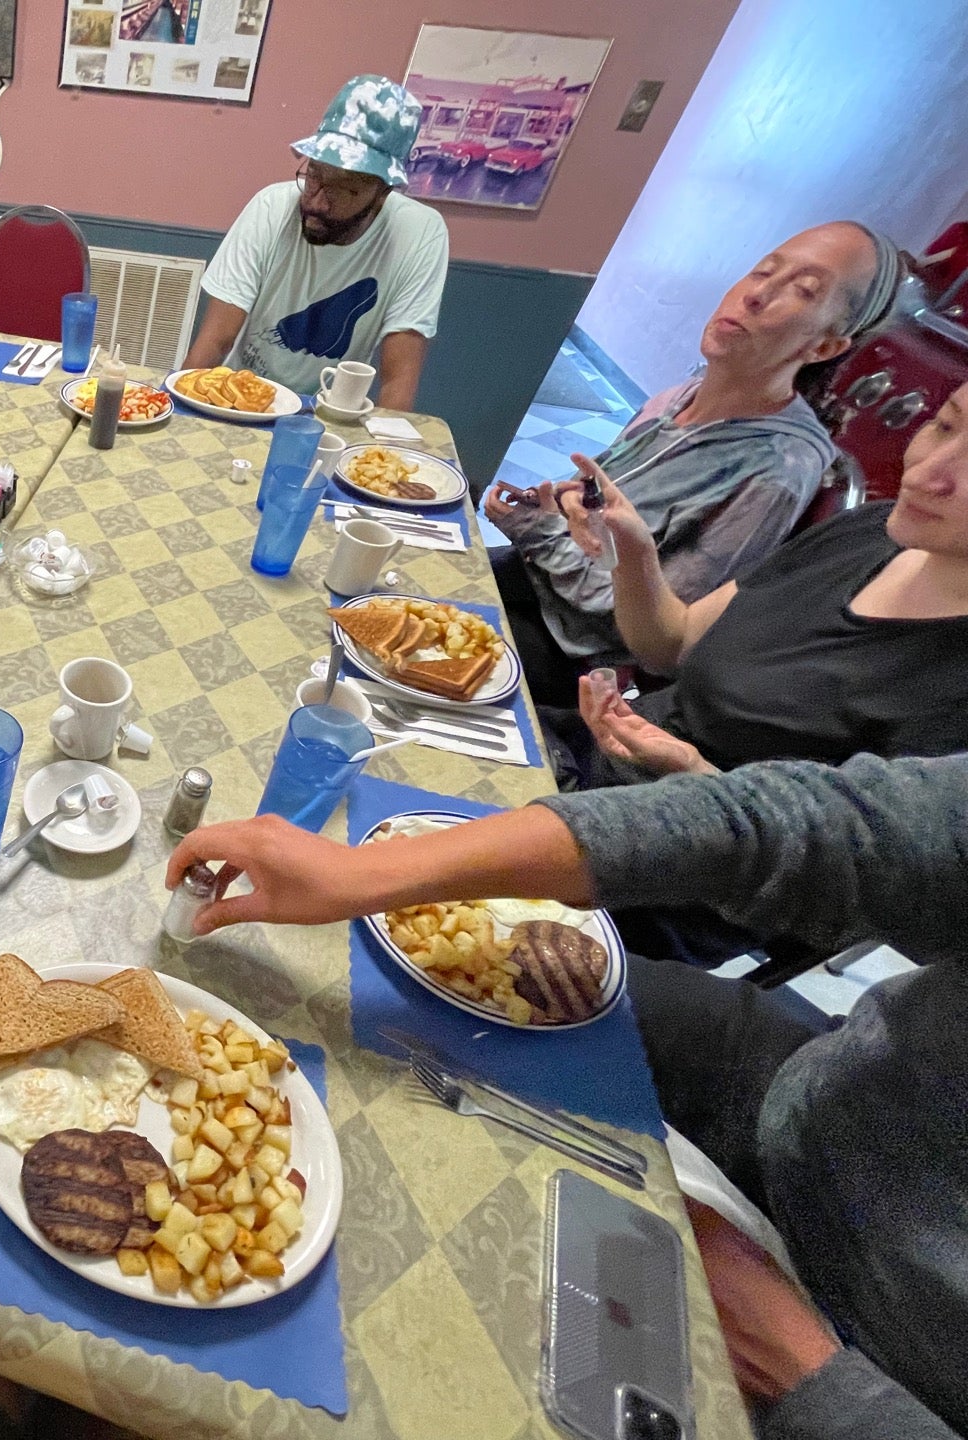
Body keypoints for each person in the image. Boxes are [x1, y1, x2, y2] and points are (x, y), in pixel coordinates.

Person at [167, 754, 968, 1440]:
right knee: (390, 1037)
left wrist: (816, 1382)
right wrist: (362, 877)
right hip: (794, 1079)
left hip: (865, 1369)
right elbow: (813, 822)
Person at [486, 222, 904, 705]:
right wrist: (555, 509)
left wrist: (543, 533)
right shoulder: (679, 396)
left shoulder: (777, 469)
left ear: (825, 347)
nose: (757, 294)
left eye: (803, 290)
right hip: (530, 586)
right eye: (761, 271)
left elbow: (648, 633)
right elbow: (591, 521)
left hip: (571, 657)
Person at [545, 378, 968, 792]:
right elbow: (672, 644)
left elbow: (835, 851)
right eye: (945, 426)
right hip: (583, 752)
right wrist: (631, 548)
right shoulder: (867, 528)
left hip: (651, 828)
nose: (922, 477)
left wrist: (696, 774)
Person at [182, 74, 448, 409]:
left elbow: (398, 382)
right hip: (243, 398)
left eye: (343, 188)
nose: (317, 202)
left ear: (382, 192)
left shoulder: (420, 233)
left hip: (333, 410)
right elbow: (215, 340)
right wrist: (181, 414)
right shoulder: (271, 207)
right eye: (315, 175)